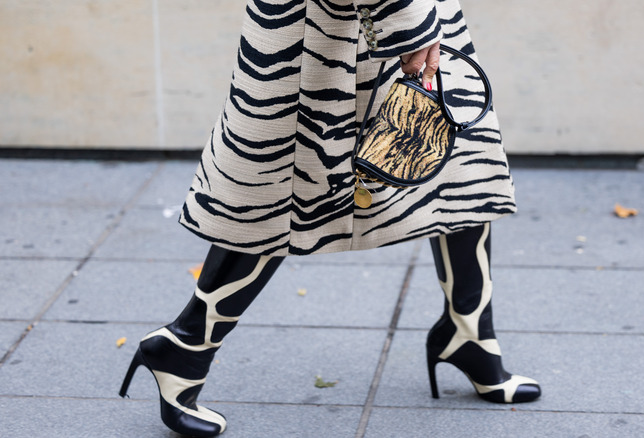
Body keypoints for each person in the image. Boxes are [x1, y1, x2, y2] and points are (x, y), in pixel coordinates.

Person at [119, 1, 540, 436]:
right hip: (343, 28)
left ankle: (469, 332)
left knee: (459, 171)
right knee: (278, 198)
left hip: (394, 18)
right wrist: (408, 23)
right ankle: (186, 344)